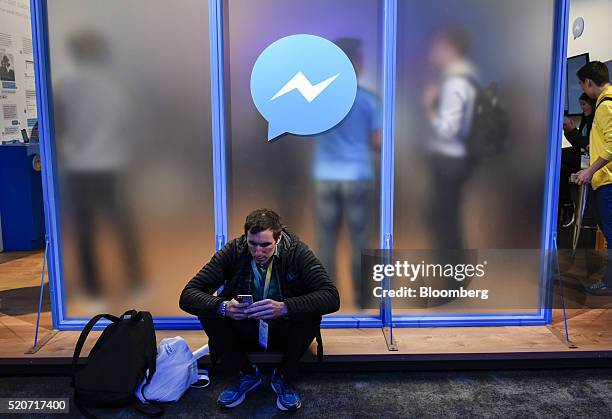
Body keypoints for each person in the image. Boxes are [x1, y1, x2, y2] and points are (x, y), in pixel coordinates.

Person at [179, 209, 340, 411]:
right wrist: (224, 307)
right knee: (210, 311)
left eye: (265, 245)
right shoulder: (234, 251)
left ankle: (283, 376)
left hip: (285, 330)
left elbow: (331, 297)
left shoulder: (297, 251)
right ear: (246, 238)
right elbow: (188, 295)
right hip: (245, 328)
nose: (258, 252)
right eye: (252, 244)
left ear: (279, 239)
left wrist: (285, 307)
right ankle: (245, 374)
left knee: (310, 313)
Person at [313, 38, 381, 308]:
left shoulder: (320, 99)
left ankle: (328, 300)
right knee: (360, 240)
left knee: (326, 241)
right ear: (358, 63)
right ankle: (363, 301)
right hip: (358, 176)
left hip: (324, 176)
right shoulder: (369, 100)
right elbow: (377, 142)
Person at [422, 28, 477, 250]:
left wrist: (428, 107)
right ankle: (451, 277)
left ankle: (452, 280)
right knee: (445, 219)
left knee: (445, 222)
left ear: (452, 48)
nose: (433, 53)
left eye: (438, 47)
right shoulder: (464, 77)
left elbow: (448, 130)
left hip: (449, 162)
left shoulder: (455, 82)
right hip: (455, 161)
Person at [574, 61, 612, 295]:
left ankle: (609, 284)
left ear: (589, 82)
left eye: (582, 84)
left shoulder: (606, 106)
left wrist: (590, 171)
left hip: (608, 181)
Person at [560, 93, 595, 227]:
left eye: (584, 104)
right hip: (583, 157)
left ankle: (568, 205)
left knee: (561, 155)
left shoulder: (596, 120)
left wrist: (572, 131)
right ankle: (567, 204)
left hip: (592, 160)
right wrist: (570, 132)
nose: (582, 108)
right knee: (561, 167)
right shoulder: (585, 118)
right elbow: (579, 145)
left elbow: (589, 144)